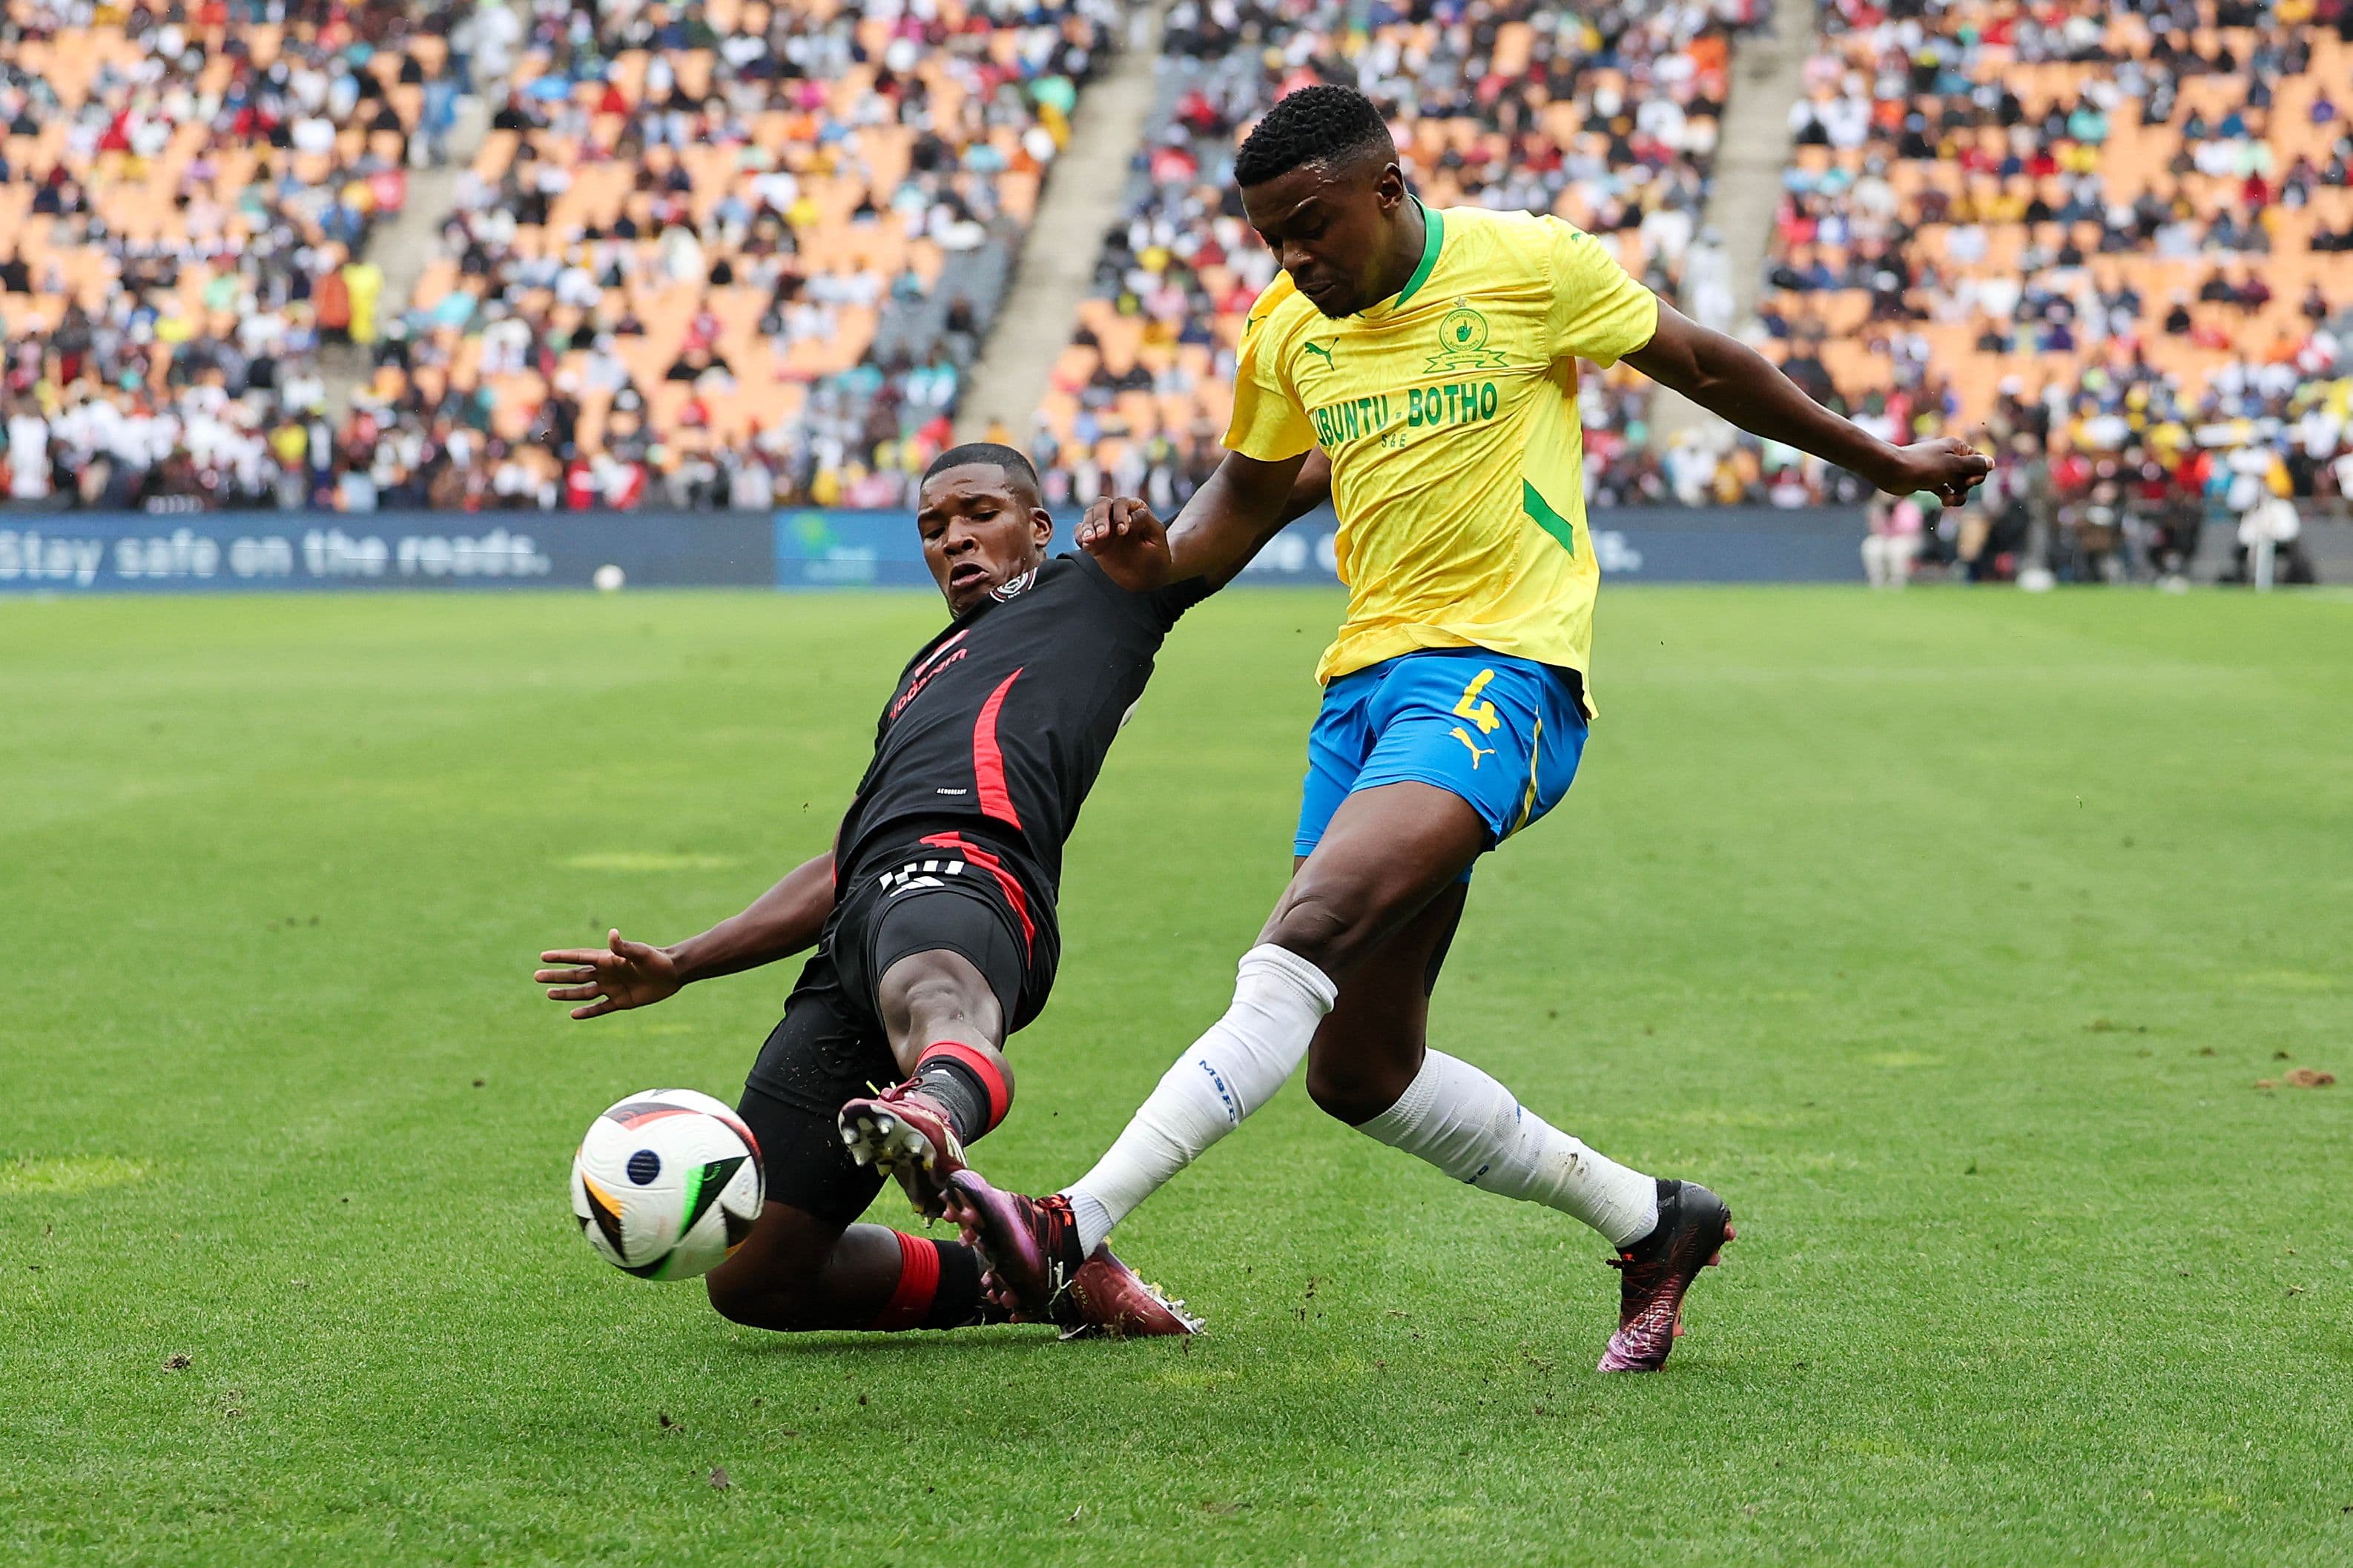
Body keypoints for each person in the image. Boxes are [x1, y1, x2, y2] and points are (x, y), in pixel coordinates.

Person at [943, 85, 1993, 1372]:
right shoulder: (1286, 331)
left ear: (1385, 189)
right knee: (1357, 1068)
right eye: (1270, 237)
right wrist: (1153, 554)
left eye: (1310, 225)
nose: (1292, 257)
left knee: (1307, 930)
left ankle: (1071, 1223)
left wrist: (1879, 462)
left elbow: (1705, 364)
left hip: (1504, 672)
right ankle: (1654, 1222)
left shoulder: (1526, 264)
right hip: (1364, 693)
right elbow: (1244, 501)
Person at [532, 443, 1311, 1340]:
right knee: (756, 1278)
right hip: (860, 921)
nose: (955, 540)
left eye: (980, 514)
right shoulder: (922, 673)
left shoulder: (1101, 589)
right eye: (934, 527)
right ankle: (1043, 1279)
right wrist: (682, 961)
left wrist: (1390, 408)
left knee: (935, 996)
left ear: (1038, 526)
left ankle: (932, 1107)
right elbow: (839, 865)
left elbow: (1253, 496)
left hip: (972, 870)